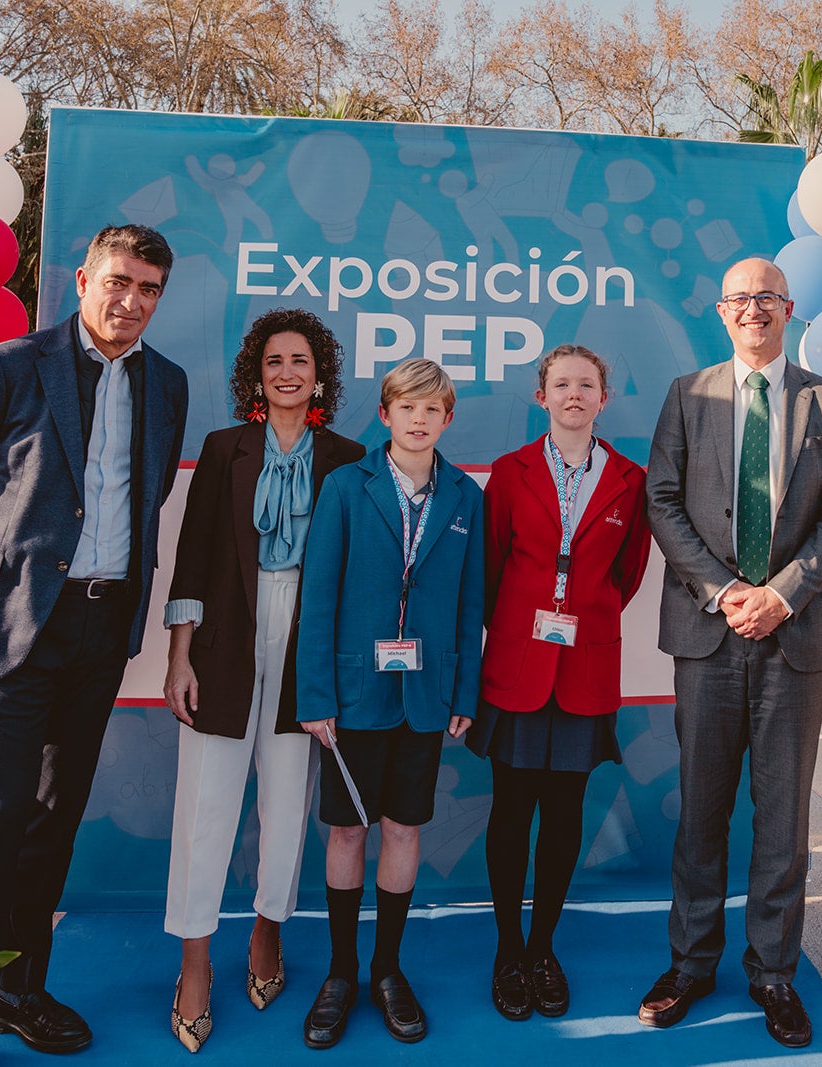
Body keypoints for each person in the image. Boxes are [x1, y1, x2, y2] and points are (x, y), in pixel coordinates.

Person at [0, 224, 189, 1067]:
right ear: (82, 280)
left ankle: (20, 990)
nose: (131, 301)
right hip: (14, 625)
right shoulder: (13, 366)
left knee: (54, 818)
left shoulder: (167, 384)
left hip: (102, 628)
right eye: (119, 281)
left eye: (148, 289)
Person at [641, 257, 822, 1049]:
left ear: (789, 307)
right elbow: (661, 499)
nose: (753, 309)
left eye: (766, 297)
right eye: (739, 299)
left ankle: (773, 972)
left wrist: (783, 593)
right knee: (701, 812)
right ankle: (691, 964)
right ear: (721, 312)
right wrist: (726, 591)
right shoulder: (688, 394)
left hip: (796, 638)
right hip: (708, 633)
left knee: (783, 820)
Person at [160, 309, 364, 1052]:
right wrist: (180, 655)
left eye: (300, 360)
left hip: (305, 647)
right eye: (274, 360)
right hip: (223, 642)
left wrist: (336, 674)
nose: (287, 372)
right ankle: (193, 965)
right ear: (257, 372)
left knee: (286, 805)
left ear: (320, 375)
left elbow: (351, 577)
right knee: (205, 809)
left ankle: (267, 935)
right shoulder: (224, 449)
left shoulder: (346, 455)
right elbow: (191, 557)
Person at [294, 358, 484, 1049]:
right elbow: (318, 598)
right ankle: (341, 972)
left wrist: (464, 690)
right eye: (407, 406)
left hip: (427, 693)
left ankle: (386, 969)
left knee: (404, 829)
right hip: (352, 693)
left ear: (447, 418)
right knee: (348, 831)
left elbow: (470, 602)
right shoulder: (347, 486)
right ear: (385, 414)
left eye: (433, 409)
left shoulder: (465, 496)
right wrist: (314, 694)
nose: (419, 419)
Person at [468, 343, 651, 1022]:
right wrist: (522, 628)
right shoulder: (510, 474)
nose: (574, 394)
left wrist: (582, 618)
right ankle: (507, 948)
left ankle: (544, 946)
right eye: (561, 384)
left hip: (585, 667)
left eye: (587, 384)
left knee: (566, 814)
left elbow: (626, 575)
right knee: (511, 811)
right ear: (540, 397)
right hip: (518, 669)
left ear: (604, 398)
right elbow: (489, 571)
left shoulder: (629, 481)